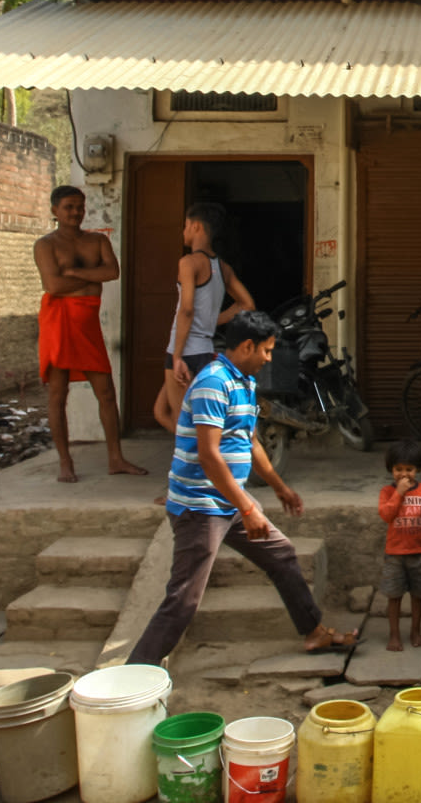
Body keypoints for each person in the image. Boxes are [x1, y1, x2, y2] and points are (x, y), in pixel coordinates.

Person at [126, 308, 356, 667]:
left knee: (282, 555)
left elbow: (251, 442)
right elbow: (209, 455)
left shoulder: (244, 382)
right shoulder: (213, 383)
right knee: (184, 599)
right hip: (200, 507)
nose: (268, 359)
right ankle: (135, 676)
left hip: (230, 502)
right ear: (247, 346)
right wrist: (248, 508)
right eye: (265, 351)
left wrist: (280, 488)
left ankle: (314, 632)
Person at [35, 185, 142, 482]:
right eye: (69, 207)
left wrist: (75, 274)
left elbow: (112, 273)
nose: (76, 213)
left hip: (87, 324)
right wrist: (89, 280)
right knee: (58, 394)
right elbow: (53, 286)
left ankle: (116, 458)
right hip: (58, 322)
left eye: (80, 207)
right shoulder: (45, 245)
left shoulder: (97, 241)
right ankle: (65, 462)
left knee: (106, 392)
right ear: (55, 210)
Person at [151, 203, 256, 434]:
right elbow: (247, 304)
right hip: (205, 351)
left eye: (186, 226)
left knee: (185, 424)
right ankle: (204, 459)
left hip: (184, 351)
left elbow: (186, 310)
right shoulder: (223, 268)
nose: (184, 231)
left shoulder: (188, 262)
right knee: (161, 411)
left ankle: (203, 465)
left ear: (196, 227)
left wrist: (177, 356)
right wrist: (211, 322)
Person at [377, 439, 421, 653]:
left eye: (409, 469)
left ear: (418, 469)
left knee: (418, 595)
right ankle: (394, 635)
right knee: (394, 596)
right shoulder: (387, 492)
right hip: (395, 554)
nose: (404, 474)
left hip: (419, 553)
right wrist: (399, 492)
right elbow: (386, 515)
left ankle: (416, 631)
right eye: (398, 469)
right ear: (391, 469)